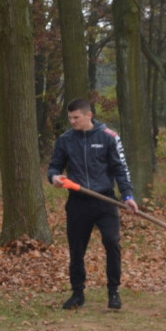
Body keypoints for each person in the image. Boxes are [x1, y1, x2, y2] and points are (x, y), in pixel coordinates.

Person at [47, 98, 138, 310]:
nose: (72, 121)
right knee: (77, 250)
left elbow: (120, 169)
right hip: (78, 202)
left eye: (76, 117)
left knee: (112, 243)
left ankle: (113, 292)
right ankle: (78, 293)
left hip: (105, 201)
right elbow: (54, 167)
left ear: (89, 115)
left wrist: (128, 196)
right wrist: (54, 178)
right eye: (70, 118)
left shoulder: (109, 137)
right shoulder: (65, 140)